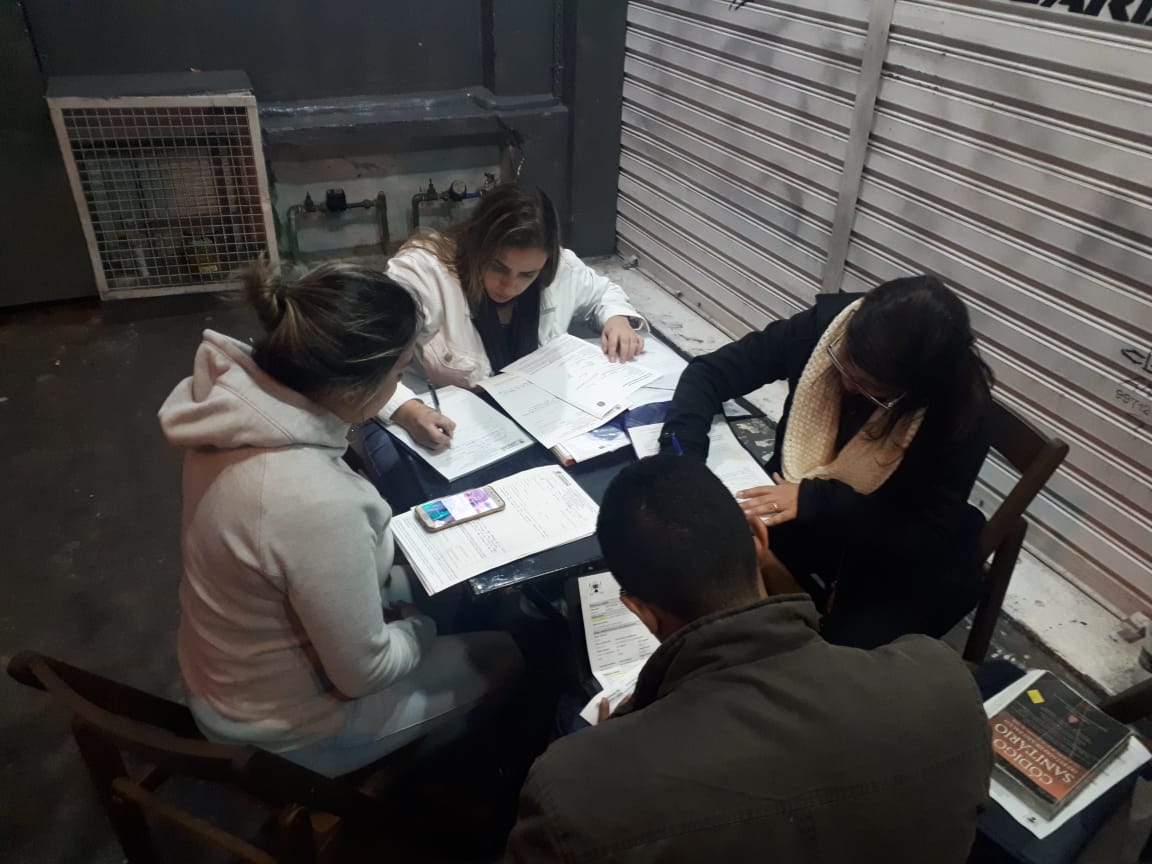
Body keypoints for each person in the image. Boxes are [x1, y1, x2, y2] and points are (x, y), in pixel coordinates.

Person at [506, 455, 993, 864]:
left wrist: (613, 738)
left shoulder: (573, 792)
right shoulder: (943, 686)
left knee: (571, 711)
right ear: (758, 536)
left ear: (639, 610)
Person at [158, 261, 523, 777]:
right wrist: (422, 626)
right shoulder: (314, 502)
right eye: (399, 373)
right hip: (284, 730)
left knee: (430, 585)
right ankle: (441, 782)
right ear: (353, 388)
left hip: (225, 675)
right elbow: (365, 672)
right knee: (502, 652)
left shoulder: (231, 416)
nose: (400, 385)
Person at [659, 275, 994, 649]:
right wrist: (682, 458)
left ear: (910, 392)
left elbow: (926, 532)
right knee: (695, 568)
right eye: (842, 363)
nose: (846, 384)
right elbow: (709, 373)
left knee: (829, 661)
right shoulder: (829, 330)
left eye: (869, 388)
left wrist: (817, 499)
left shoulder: (959, 412)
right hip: (799, 505)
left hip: (886, 546)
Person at [381, 183, 647, 450]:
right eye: (498, 267)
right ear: (476, 245)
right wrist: (407, 409)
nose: (509, 287)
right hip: (440, 416)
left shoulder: (559, 268)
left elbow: (603, 293)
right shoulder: (423, 274)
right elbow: (369, 358)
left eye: (527, 275)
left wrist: (617, 319)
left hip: (533, 415)